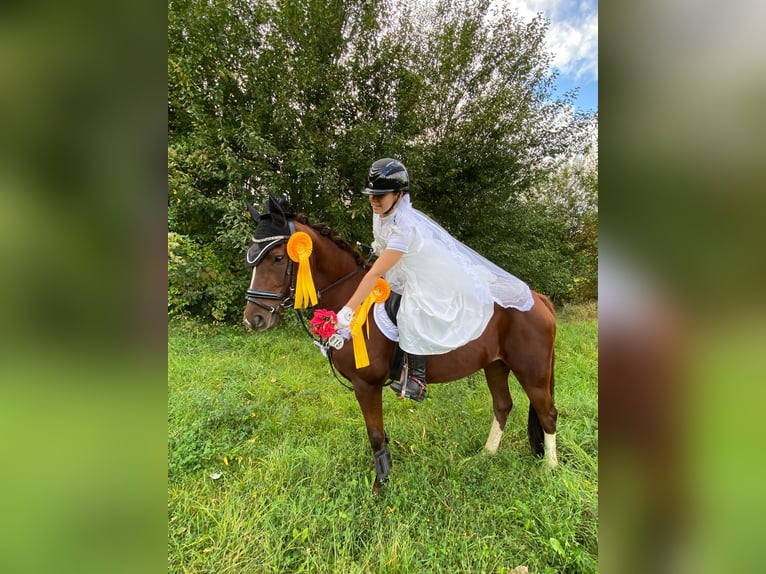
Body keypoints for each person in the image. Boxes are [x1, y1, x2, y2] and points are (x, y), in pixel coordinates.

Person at [336, 158, 534, 402]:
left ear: (399, 195)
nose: (374, 201)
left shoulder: (405, 226)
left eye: (381, 195)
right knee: (388, 302)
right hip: (404, 270)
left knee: (411, 311)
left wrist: (348, 309)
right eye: (371, 195)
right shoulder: (381, 212)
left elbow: (375, 273)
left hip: (427, 274)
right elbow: (383, 244)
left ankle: (417, 378)